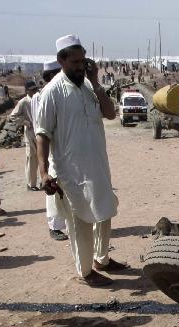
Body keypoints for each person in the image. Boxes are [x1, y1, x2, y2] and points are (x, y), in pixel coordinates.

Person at [35, 35, 127, 286]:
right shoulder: (51, 93)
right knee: (81, 222)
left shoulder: (88, 86)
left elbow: (109, 113)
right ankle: (85, 272)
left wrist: (96, 82)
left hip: (97, 166)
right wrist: (44, 173)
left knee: (104, 212)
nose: (80, 66)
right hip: (70, 172)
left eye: (83, 60)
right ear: (61, 61)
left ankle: (102, 259)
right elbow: (41, 135)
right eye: (75, 61)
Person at [39, 60, 68, 241]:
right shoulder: (45, 95)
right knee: (54, 189)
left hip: (67, 150)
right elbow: (41, 129)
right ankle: (54, 226)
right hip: (52, 149)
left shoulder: (63, 92)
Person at [8, 81, 40, 191]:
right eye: (32, 89)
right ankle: (31, 184)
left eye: (35, 89)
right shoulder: (23, 102)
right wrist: (25, 122)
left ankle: (44, 181)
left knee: (43, 156)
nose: (35, 91)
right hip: (30, 132)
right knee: (31, 157)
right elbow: (13, 116)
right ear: (27, 91)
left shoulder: (39, 98)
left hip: (40, 131)